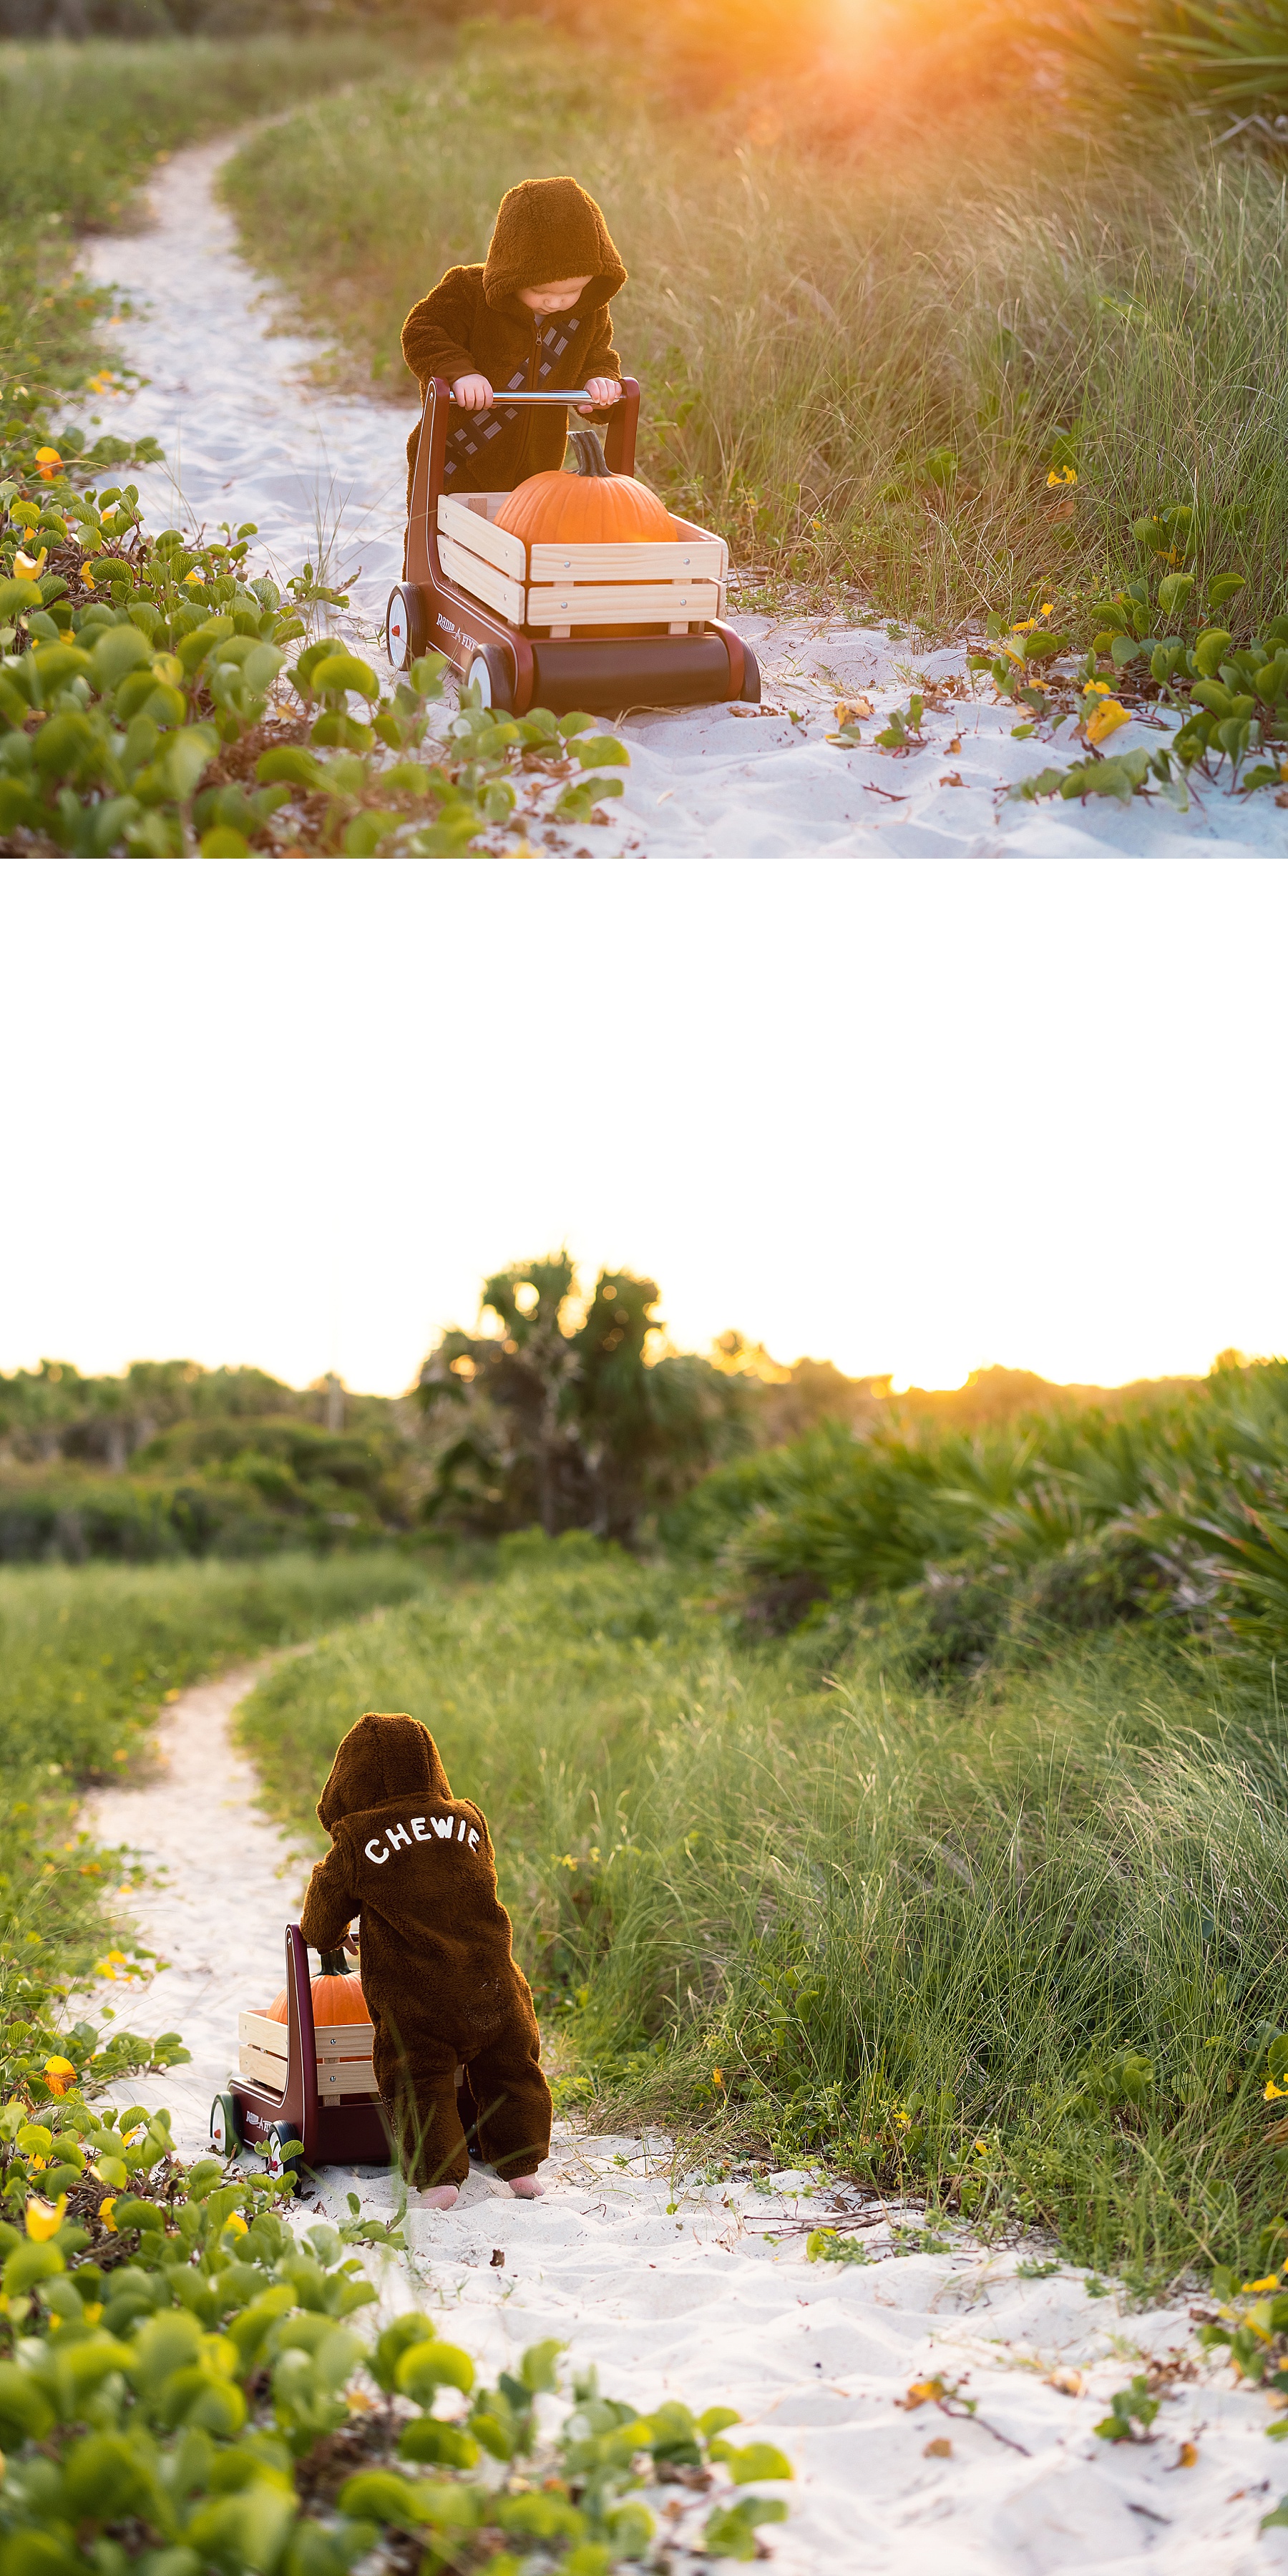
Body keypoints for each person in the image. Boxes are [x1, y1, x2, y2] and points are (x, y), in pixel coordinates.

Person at [298, 1708, 551, 2207]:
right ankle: (522, 2168)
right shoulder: (469, 1819)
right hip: (494, 1983)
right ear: (432, 1766)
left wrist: (329, 1934)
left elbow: (320, 1922)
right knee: (512, 2068)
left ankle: (438, 2181)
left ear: (349, 1778)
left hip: (419, 1996)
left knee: (419, 2077)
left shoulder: (356, 1840)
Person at [401, 175, 626, 509]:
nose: (557, 303)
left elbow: (597, 354)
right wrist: (460, 374)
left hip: (539, 465)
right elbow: (421, 329)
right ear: (512, 270)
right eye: (542, 292)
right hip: (458, 453)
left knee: (522, 540)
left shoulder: (588, 312)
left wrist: (599, 383)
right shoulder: (467, 291)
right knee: (441, 542)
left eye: (572, 291)